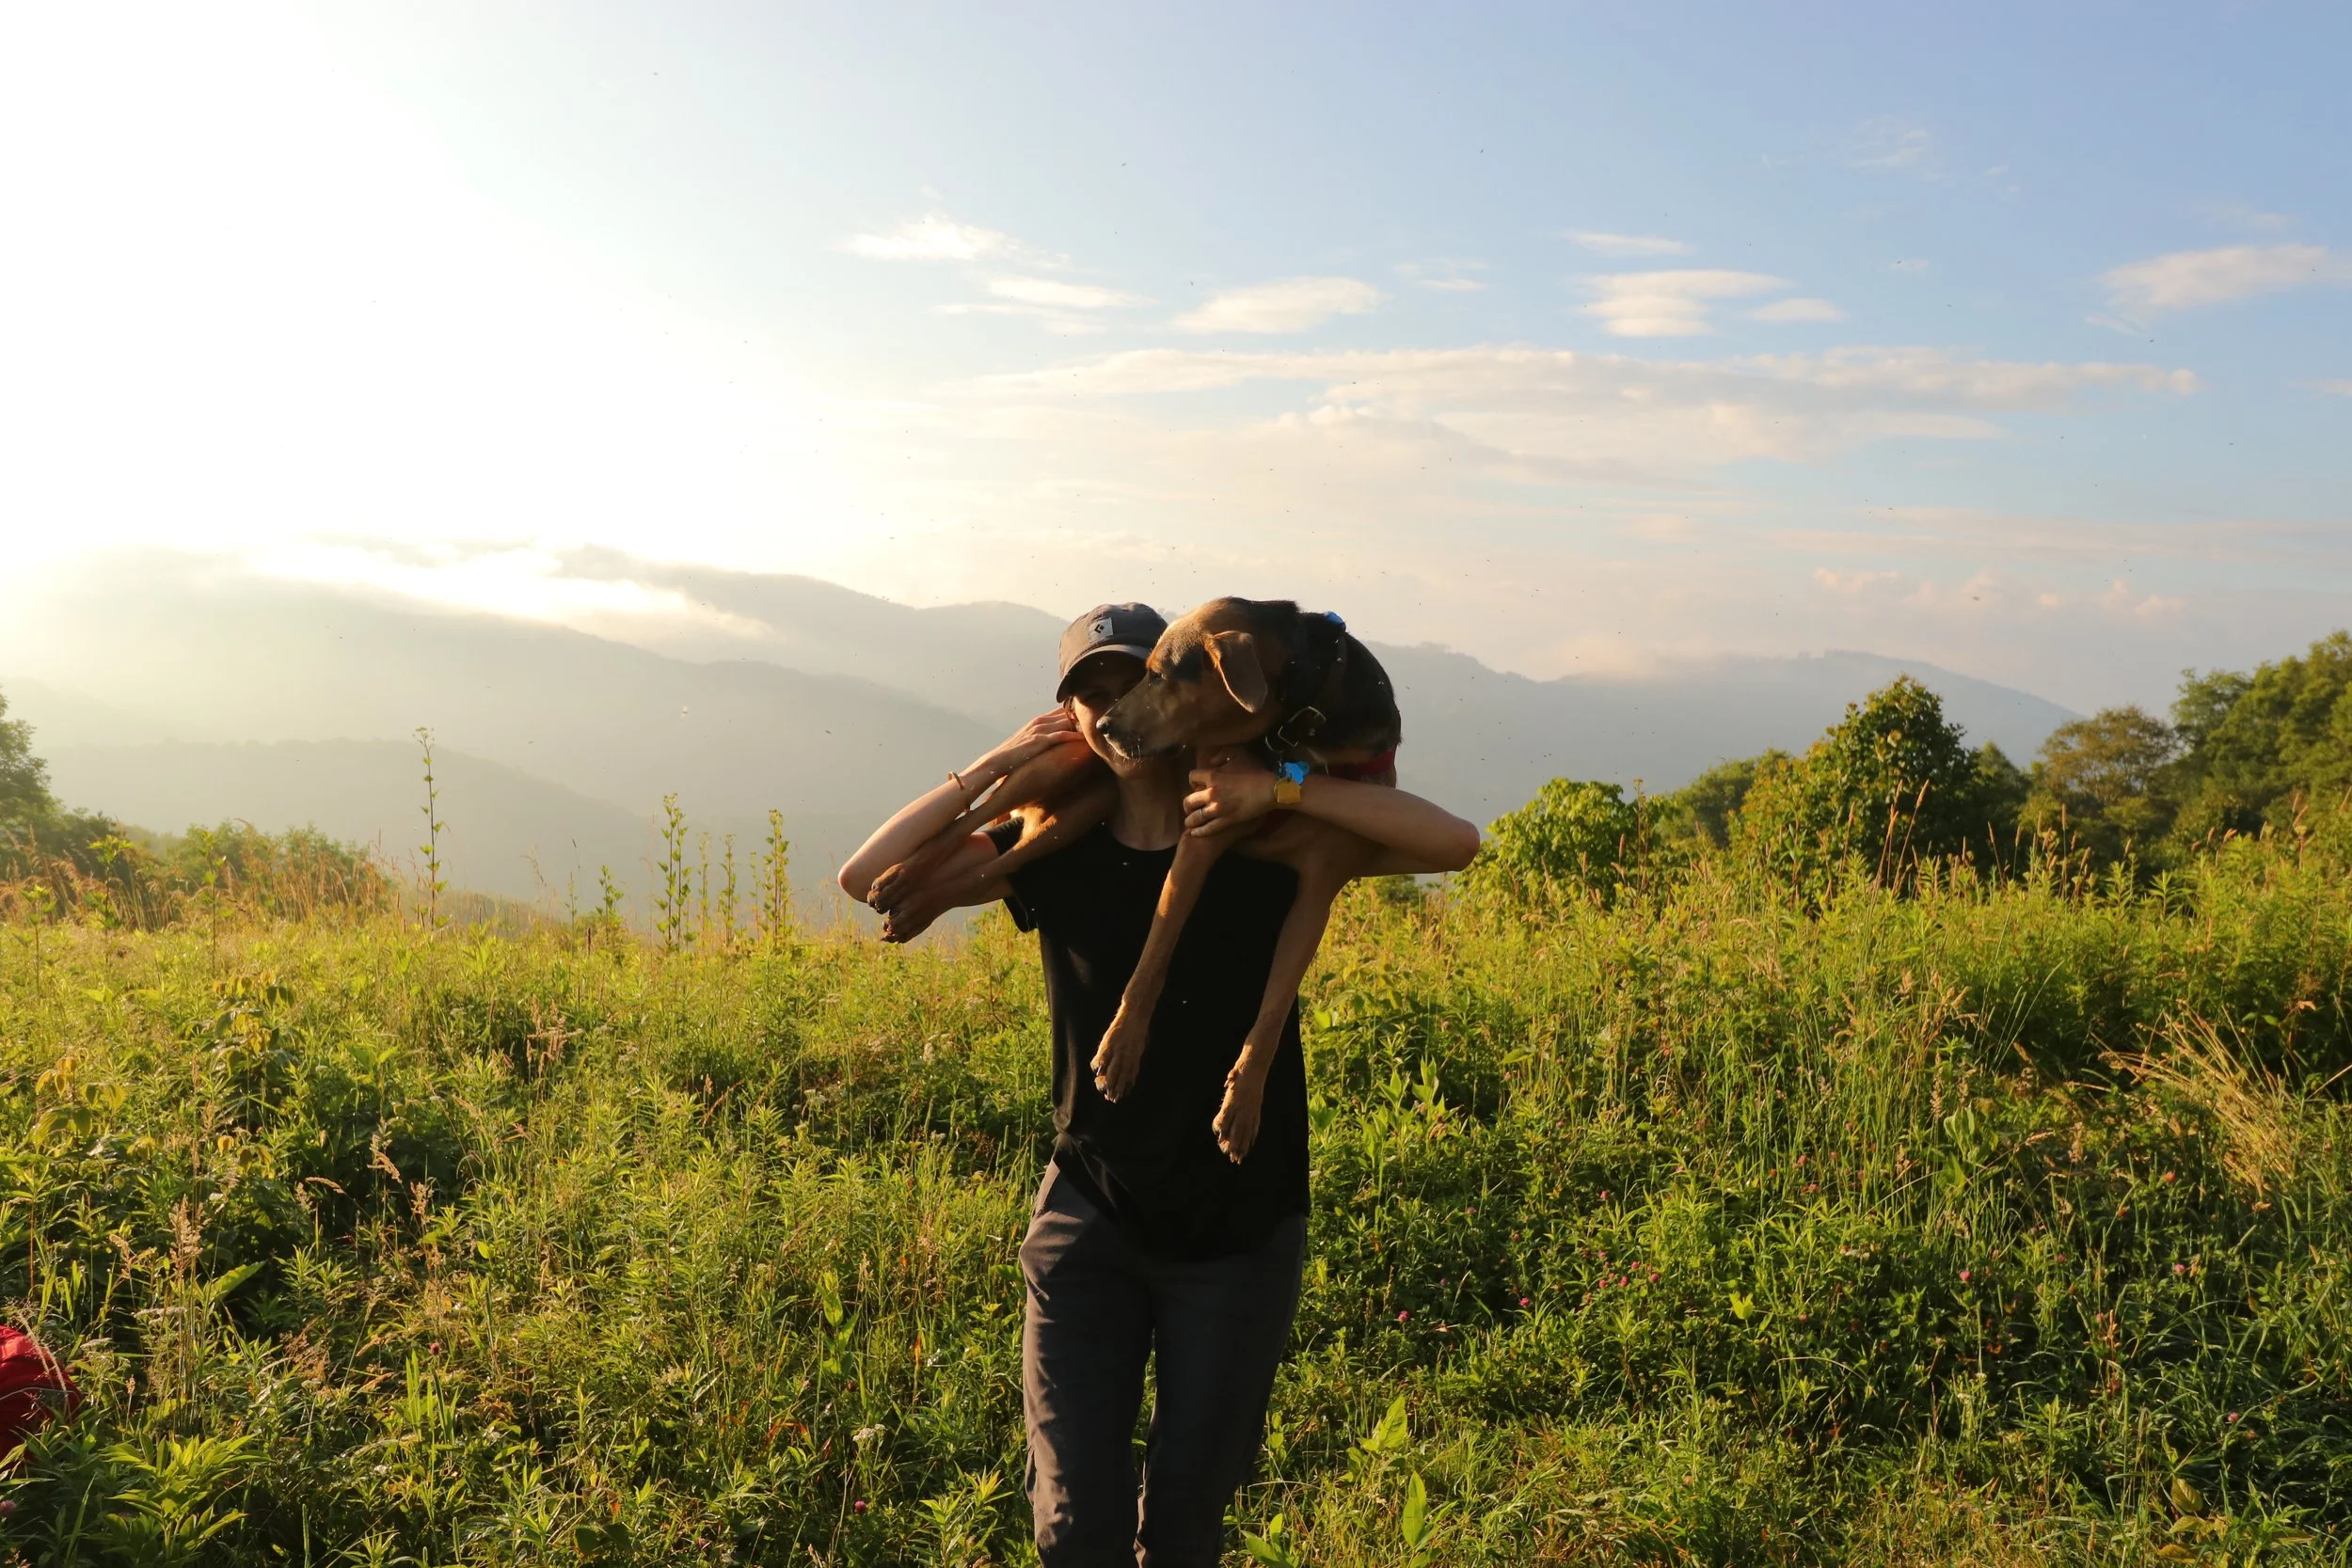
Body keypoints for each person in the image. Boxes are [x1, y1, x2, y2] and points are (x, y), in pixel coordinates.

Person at [838, 602, 1479, 1566]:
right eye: (1084, 696)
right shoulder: (1054, 847)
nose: (1109, 709)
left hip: (1238, 1224)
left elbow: (1450, 839)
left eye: (1129, 684)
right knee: (1072, 1527)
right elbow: (866, 874)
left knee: (1184, 1529)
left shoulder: (1255, 829)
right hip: (1089, 1215)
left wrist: (1285, 786)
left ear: (1186, 697)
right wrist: (997, 764)